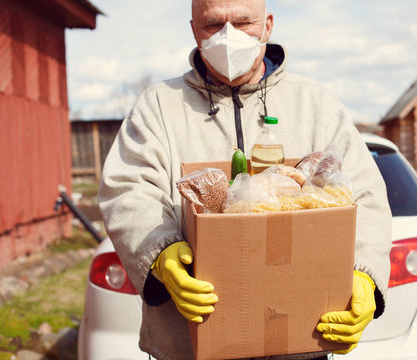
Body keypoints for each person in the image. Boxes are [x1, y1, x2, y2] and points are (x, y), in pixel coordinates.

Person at [99, 0, 392, 359]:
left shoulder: (316, 105)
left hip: (298, 342)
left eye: (242, 22)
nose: (228, 36)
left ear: (267, 25)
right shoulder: (159, 106)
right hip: (189, 345)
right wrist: (160, 252)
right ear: (193, 28)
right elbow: (128, 189)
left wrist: (363, 276)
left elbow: (365, 194)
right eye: (212, 25)